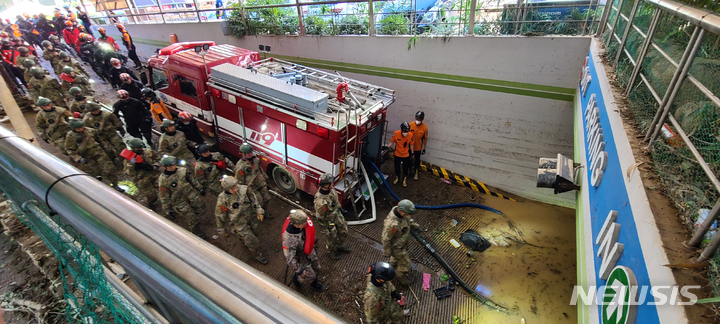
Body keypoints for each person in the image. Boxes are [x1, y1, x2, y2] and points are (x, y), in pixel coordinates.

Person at [215, 176, 267, 264]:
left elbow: (253, 199)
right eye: (232, 189)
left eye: (235, 187)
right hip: (239, 222)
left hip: (251, 216)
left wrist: (259, 210)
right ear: (227, 189)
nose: (235, 190)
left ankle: (242, 238)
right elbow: (219, 215)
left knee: (256, 231)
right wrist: (221, 229)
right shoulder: (222, 199)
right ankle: (258, 255)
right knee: (252, 241)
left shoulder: (244, 189)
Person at [64, 118, 122, 191]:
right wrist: (78, 158)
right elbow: (70, 149)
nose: (82, 129)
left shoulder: (90, 131)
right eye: (79, 128)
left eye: (82, 127)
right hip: (87, 157)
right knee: (95, 172)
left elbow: (98, 140)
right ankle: (99, 187)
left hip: (99, 153)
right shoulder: (70, 136)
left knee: (109, 168)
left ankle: (115, 184)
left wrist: (104, 148)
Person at [158, 155, 206, 236]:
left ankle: (198, 219)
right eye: (171, 166)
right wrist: (167, 209)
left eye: (174, 165)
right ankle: (197, 233)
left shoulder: (182, 170)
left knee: (200, 208)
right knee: (191, 218)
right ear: (165, 167)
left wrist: (200, 188)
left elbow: (192, 180)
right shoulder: (163, 180)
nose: (173, 167)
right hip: (179, 201)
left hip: (191, 194)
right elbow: (164, 196)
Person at [282, 210, 327, 291]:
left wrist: (311, 241)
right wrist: (299, 271)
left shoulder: (300, 227)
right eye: (303, 223)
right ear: (296, 224)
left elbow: (306, 234)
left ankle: (314, 284)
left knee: (317, 267)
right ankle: (296, 279)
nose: (306, 224)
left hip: (308, 251)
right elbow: (289, 258)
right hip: (300, 257)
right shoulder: (289, 240)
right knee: (310, 276)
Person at [381, 199, 420, 286]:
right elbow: (385, 239)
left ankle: (393, 263)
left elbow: (408, 219)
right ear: (401, 211)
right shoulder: (392, 224)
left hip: (402, 241)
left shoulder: (400, 211)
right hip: (397, 247)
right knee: (406, 265)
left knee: (396, 258)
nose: (408, 215)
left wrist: (415, 226)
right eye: (407, 213)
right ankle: (400, 275)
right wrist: (387, 252)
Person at [314, 173, 350, 259]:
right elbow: (320, 218)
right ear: (325, 185)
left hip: (336, 214)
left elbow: (335, 200)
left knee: (344, 231)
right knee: (332, 237)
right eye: (331, 183)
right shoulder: (321, 202)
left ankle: (340, 244)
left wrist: (340, 209)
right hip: (328, 221)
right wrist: (327, 229)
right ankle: (331, 251)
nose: (333, 184)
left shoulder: (331, 190)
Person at [123, 138, 161, 207]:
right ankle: (152, 206)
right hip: (142, 179)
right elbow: (129, 172)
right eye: (136, 149)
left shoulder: (148, 152)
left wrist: (155, 166)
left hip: (154, 174)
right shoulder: (129, 159)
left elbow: (158, 159)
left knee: (162, 188)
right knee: (151, 195)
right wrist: (132, 165)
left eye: (140, 148)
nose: (139, 150)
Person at [235, 143, 270, 213]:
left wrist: (266, 179)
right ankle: (258, 213)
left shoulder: (256, 160)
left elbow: (260, 170)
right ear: (242, 154)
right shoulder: (240, 166)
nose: (250, 154)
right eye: (248, 153)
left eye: (251, 152)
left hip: (261, 183)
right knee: (259, 202)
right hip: (252, 187)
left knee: (267, 198)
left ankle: (264, 211)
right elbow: (239, 180)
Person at [386, 122, 414, 187]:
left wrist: (412, 153)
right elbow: (391, 142)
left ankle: (404, 179)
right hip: (397, 154)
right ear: (401, 130)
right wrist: (387, 147)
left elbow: (411, 144)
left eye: (407, 131)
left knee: (405, 168)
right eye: (404, 131)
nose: (405, 133)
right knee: (397, 167)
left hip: (406, 155)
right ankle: (397, 177)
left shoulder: (410, 135)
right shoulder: (396, 134)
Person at [409, 111, 428, 180]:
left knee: (417, 161)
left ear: (422, 120)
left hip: (418, 147)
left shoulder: (425, 128)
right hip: (410, 147)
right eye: (417, 119)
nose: (418, 121)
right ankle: (409, 170)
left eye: (419, 120)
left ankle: (416, 172)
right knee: (408, 159)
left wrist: (424, 148)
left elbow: (425, 139)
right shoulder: (410, 125)